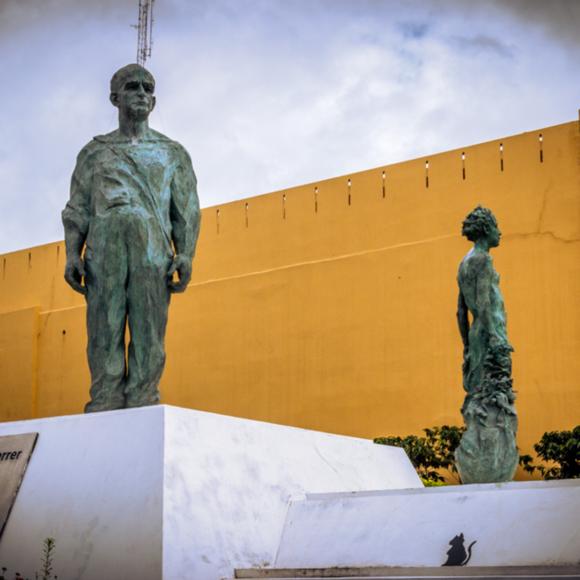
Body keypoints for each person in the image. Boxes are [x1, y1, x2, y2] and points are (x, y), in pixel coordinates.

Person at [62, 63, 201, 412]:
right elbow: (77, 207)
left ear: (153, 102)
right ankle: (105, 396)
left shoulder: (172, 153)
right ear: (115, 97)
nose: (142, 93)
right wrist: (72, 253)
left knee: (149, 328)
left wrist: (185, 253)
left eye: (148, 89)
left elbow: (186, 209)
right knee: (103, 327)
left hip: (152, 250)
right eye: (133, 87)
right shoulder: (94, 152)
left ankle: (142, 395)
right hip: (104, 249)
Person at [455, 205, 518, 483]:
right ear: (486, 230)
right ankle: (492, 460)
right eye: (496, 227)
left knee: (480, 395)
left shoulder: (463, 263)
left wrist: (467, 346)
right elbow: (482, 303)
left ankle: (481, 457)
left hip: (476, 336)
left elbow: (460, 312)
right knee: (495, 399)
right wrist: (495, 338)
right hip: (491, 335)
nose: (500, 232)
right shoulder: (482, 260)